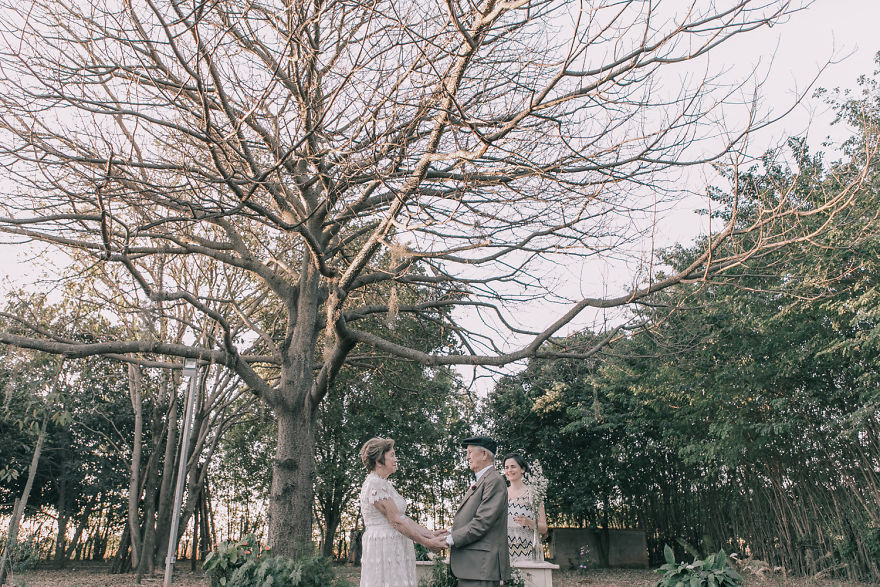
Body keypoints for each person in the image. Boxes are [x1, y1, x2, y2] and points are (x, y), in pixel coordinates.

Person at [358, 437, 448, 587]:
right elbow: (395, 521)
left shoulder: (385, 484)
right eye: (392, 455)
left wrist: (430, 533)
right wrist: (427, 543)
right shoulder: (374, 483)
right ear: (379, 461)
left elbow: (403, 518)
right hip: (383, 546)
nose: (396, 459)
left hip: (395, 544)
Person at [446, 436, 511, 587]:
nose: (467, 457)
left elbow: (482, 522)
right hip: (474, 566)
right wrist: (449, 532)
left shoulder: (494, 480)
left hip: (482, 566)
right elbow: (470, 519)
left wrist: (449, 540)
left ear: (484, 454)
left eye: (469, 452)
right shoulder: (483, 480)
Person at [503, 453, 548, 561]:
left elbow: (544, 528)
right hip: (504, 554)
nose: (509, 470)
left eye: (513, 466)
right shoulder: (501, 494)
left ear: (522, 469)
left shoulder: (533, 494)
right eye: (506, 467)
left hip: (527, 553)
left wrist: (529, 522)